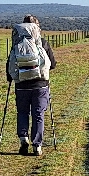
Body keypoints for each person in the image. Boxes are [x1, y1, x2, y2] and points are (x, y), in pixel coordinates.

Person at [7, 15, 57, 156]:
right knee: (38, 114)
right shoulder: (43, 43)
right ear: (36, 28)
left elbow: (10, 64)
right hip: (40, 85)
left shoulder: (16, 43)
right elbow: (52, 64)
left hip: (21, 85)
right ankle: (37, 145)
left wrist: (11, 78)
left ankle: (23, 138)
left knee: (22, 112)